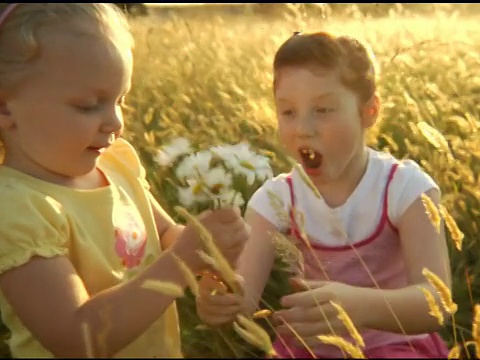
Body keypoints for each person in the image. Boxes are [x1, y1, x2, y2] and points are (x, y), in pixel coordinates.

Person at [0, 3, 249, 358]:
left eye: (121, 100)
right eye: (88, 105)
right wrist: (182, 261)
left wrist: (207, 258)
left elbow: (164, 236)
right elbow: (76, 337)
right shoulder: (16, 209)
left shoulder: (116, 164)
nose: (115, 122)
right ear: (5, 107)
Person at [196, 31, 451, 358]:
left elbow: (437, 303)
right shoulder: (275, 199)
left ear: (368, 111)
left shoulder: (406, 189)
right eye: (288, 112)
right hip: (311, 348)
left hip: (396, 345)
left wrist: (355, 306)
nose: (303, 128)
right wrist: (216, 299)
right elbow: (242, 302)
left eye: (323, 109)